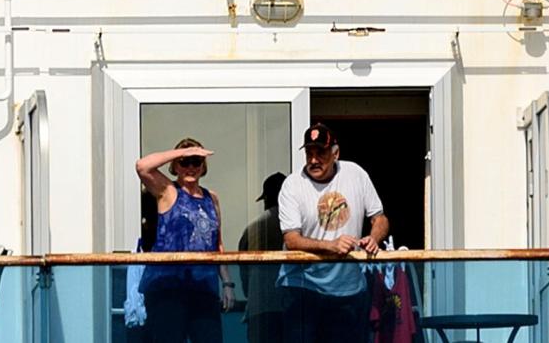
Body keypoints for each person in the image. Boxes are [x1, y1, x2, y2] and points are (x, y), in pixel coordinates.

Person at [277, 123, 388, 343]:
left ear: (335, 153)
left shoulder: (355, 174)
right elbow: (291, 239)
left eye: (321, 152)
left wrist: (373, 238)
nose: (314, 160)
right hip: (303, 287)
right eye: (309, 153)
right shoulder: (292, 185)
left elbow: (380, 218)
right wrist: (331, 246)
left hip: (348, 290)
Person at [135, 137, 235, 342]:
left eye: (196, 162)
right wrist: (180, 152)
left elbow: (218, 243)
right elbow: (142, 166)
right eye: (185, 162)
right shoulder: (168, 191)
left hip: (203, 287)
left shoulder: (211, 198)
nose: (190, 167)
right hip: (168, 288)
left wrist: (227, 283)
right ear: (176, 166)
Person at [237, 172, 287, 343]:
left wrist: (252, 293)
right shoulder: (299, 228)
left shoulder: (253, 229)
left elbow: (243, 274)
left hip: (260, 307)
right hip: (292, 305)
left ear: (266, 198)